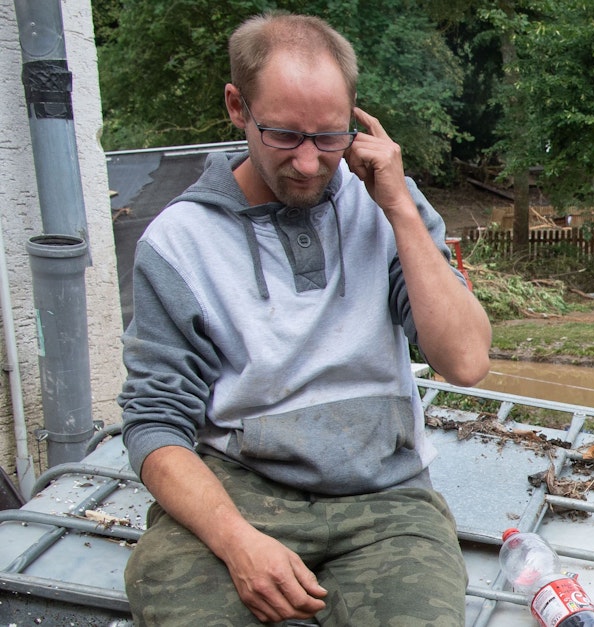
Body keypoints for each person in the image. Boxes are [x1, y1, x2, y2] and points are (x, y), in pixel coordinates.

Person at [118, 12, 491, 625]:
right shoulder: (178, 241)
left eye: (331, 137)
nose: (312, 162)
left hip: (387, 498)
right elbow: (155, 425)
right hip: (239, 490)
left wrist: (397, 207)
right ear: (238, 107)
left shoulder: (388, 202)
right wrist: (238, 543)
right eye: (285, 136)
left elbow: (467, 362)